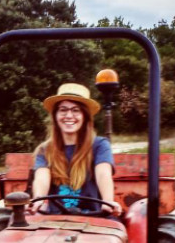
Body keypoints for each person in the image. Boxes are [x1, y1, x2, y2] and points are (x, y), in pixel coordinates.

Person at [29, 82, 115, 215]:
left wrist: (108, 201)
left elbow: (103, 174)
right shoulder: (45, 149)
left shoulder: (100, 145)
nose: (69, 116)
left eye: (76, 110)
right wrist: (38, 199)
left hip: (93, 217)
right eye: (63, 110)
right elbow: (41, 178)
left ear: (85, 116)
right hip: (55, 219)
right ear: (55, 116)